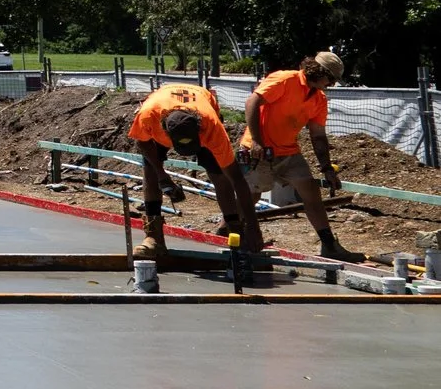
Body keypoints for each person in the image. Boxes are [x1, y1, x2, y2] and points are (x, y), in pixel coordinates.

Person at [237, 50, 363, 263]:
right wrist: (257, 142)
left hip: (288, 151)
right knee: (251, 196)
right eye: (330, 78)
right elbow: (252, 103)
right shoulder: (285, 79)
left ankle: (329, 245)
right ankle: (229, 231)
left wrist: (327, 168)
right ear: (318, 71)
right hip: (258, 149)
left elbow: (318, 136)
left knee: (311, 192)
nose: (331, 84)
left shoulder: (319, 99)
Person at [125, 82, 238, 264]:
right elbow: (142, 142)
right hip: (164, 119)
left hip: (198, 119)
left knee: (219, 174)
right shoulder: (149, 115)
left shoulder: (211, 125)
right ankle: (154, 237)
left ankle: (235, 230)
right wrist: (162, 175)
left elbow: (235, 177)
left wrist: (249, 227)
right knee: (150, 170)